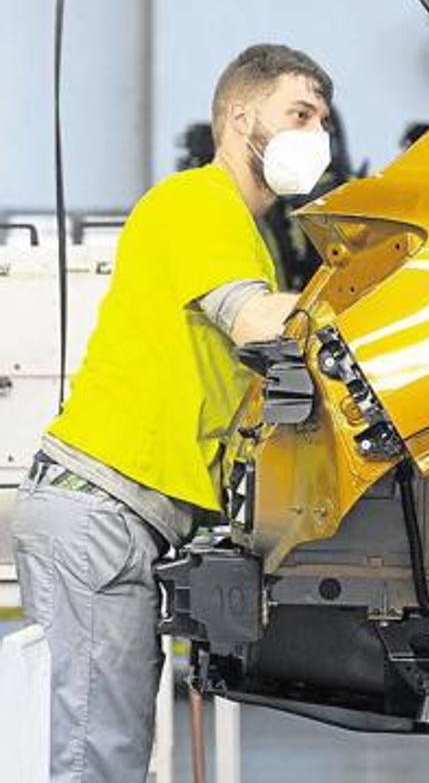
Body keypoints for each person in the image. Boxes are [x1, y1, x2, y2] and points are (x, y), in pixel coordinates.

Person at [11, 43, 333, 783]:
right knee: (96, 754)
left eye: (323, 120)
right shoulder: (197, 201)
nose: (316, 134)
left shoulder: (245, 232)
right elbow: (257, 322)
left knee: (114, 747)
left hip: (128, 517)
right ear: (240, 116)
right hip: (100, 509)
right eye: (300, 114)